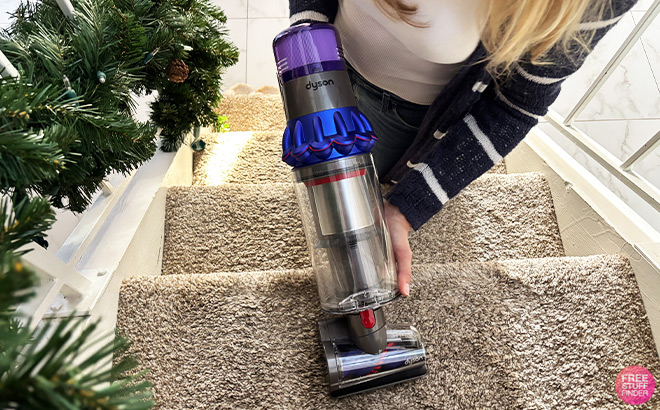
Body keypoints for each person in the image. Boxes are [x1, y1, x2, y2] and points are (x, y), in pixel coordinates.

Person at [288, 0, 637, 297]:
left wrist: (408, 207)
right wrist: (306, 35)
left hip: (405, 117)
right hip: (317, 65)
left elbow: (515, 106)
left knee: (355, 206)